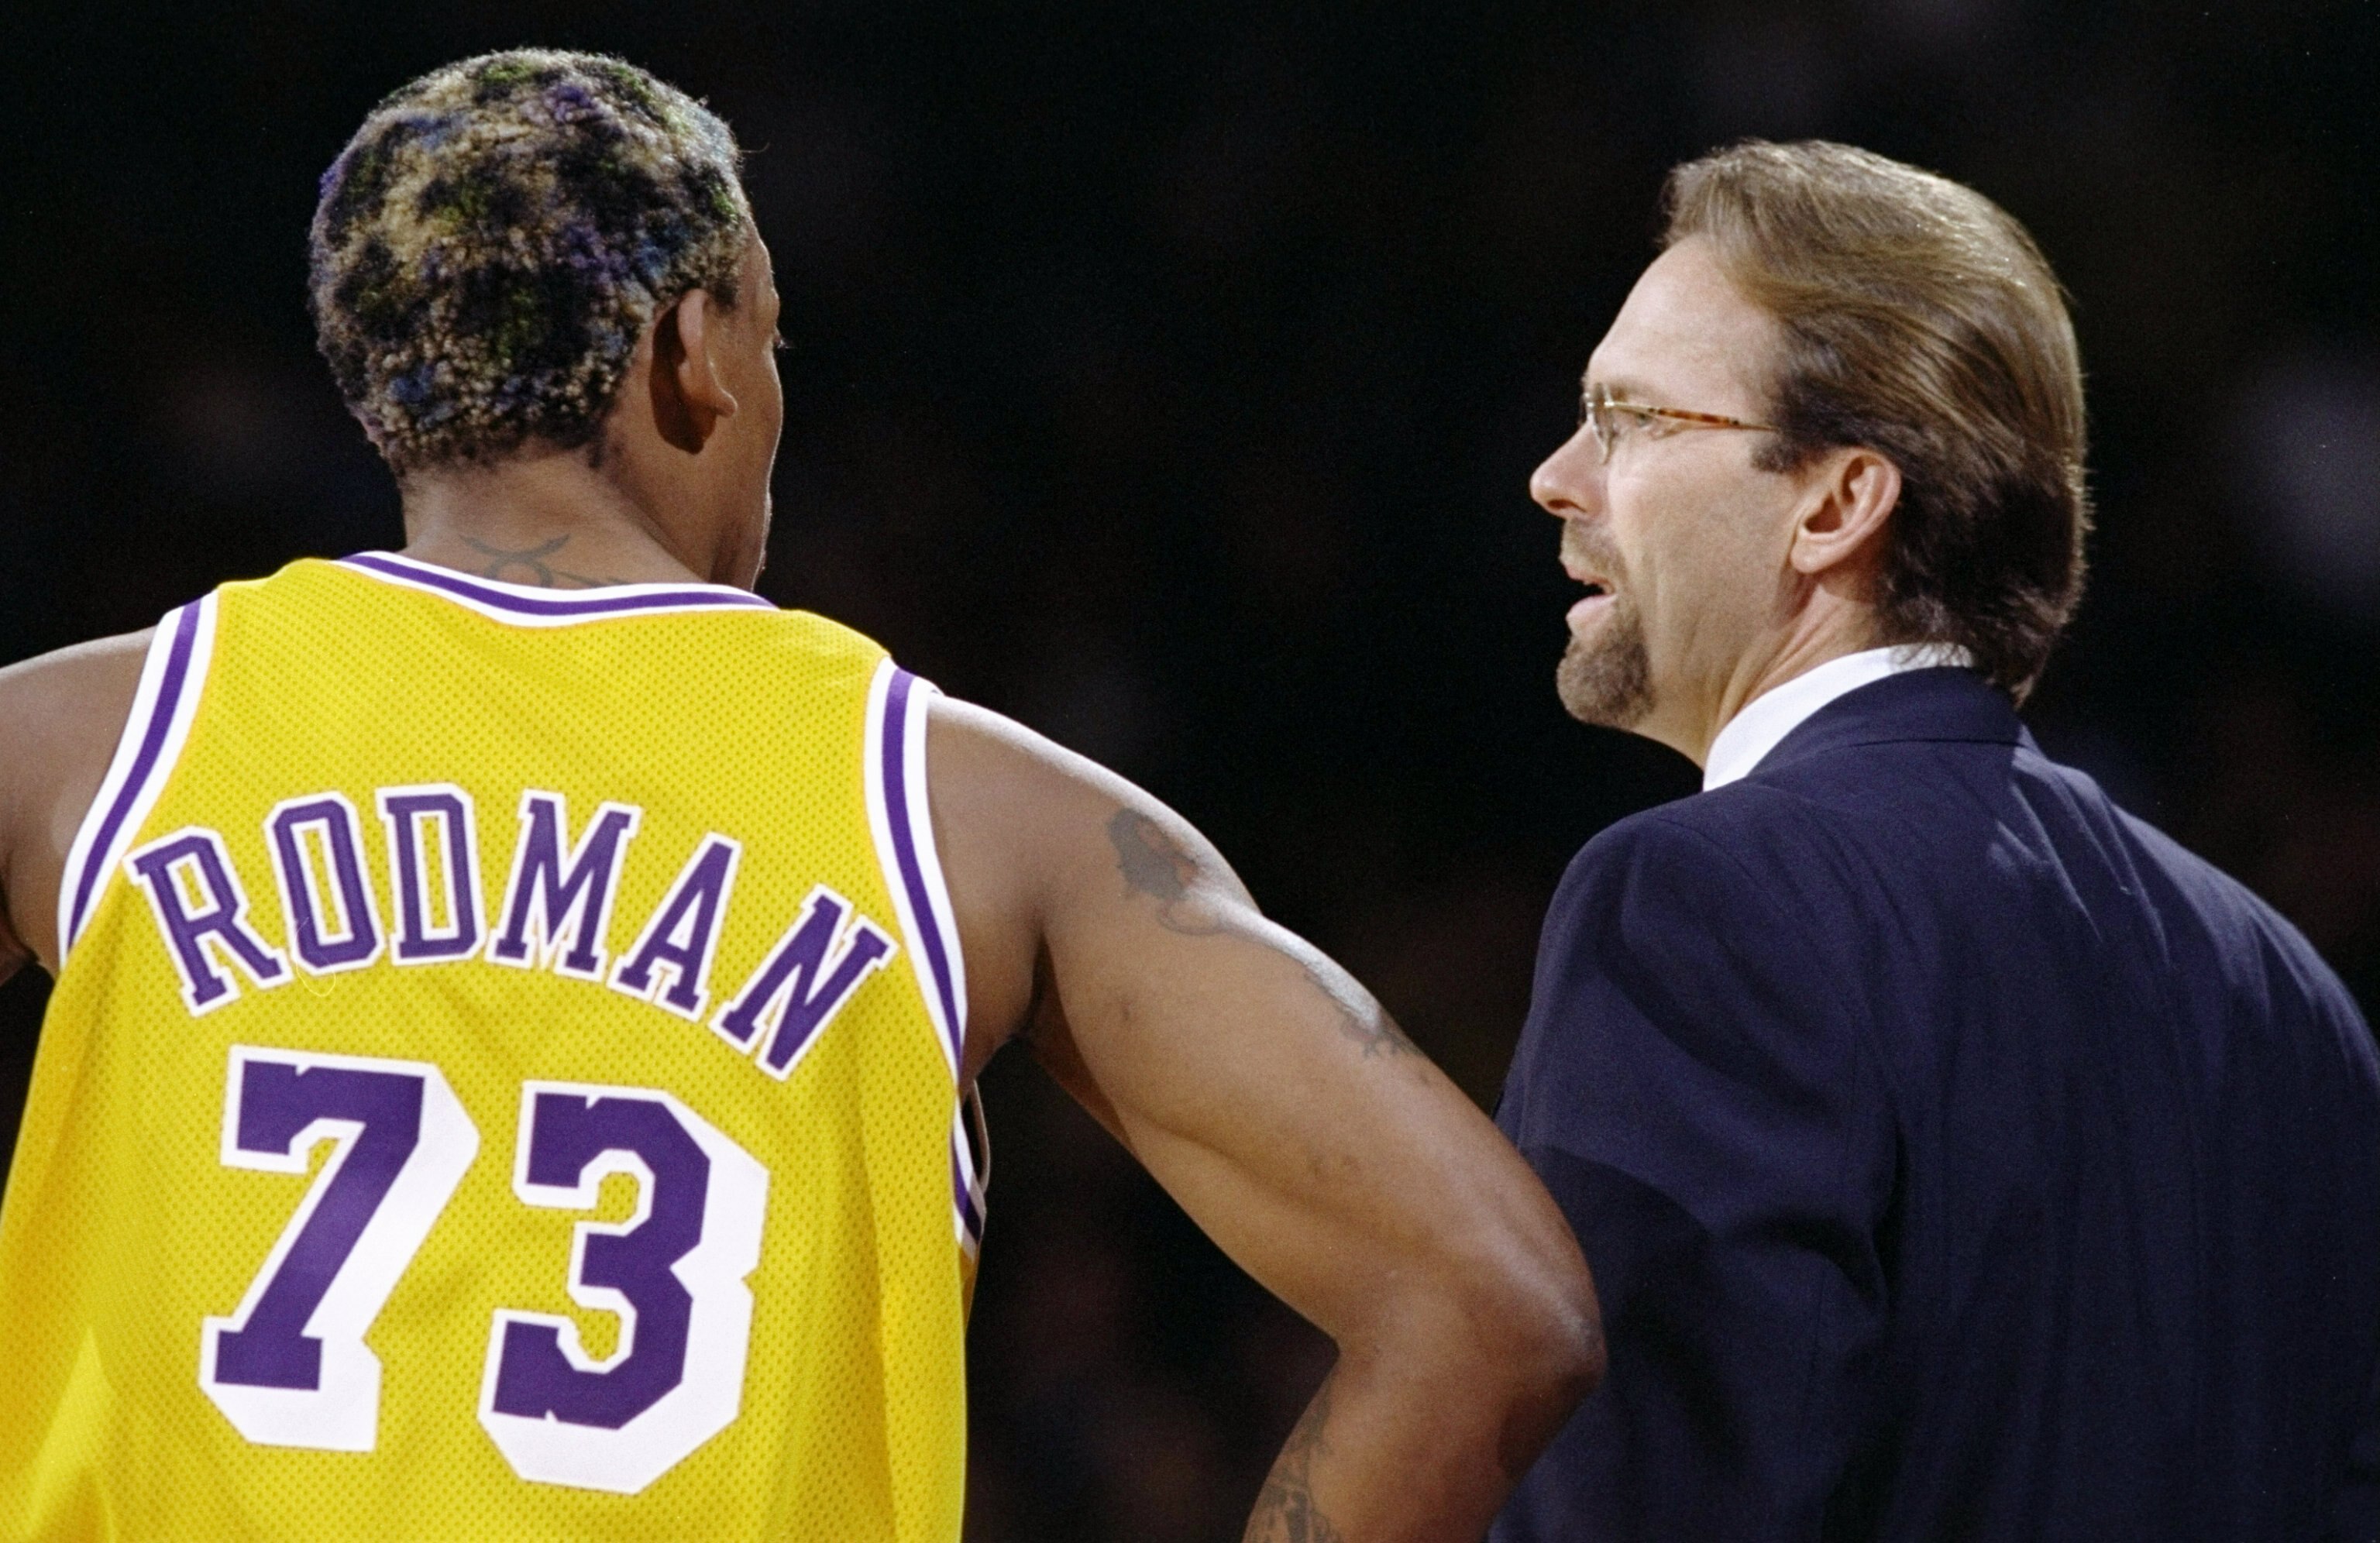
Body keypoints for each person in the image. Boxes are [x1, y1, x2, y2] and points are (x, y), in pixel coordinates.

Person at [0, 51, 1601, 1541]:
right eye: (775, 336)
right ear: (693, 349)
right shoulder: (969, 811)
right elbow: (1495, 1299)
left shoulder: (84, 739)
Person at [1494, 139, 2380, 1541]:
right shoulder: (2288, 990)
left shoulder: (1701, 901)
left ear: (1836, 502)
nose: (1559, 478)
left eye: (1631, 420)